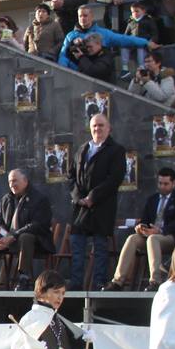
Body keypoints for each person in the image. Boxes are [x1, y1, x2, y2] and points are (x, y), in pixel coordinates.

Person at [66, 114, 126, 290]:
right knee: (77, 246)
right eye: (94, 126)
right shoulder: (83, 149)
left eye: (101, 126)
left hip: (102, 205)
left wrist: (93, 197)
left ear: (109, 128)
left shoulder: (116, 150)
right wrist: (78, 198)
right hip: (81, 207)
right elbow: (70, 176)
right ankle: (76, 283)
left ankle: (99, 283)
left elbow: (115, 178)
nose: (97, 129)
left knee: (100, 248)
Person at [107, 167, 175, 290]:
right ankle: (118, 281)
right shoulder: (153, 199)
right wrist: (141, 227)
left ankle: (155, 281)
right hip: (150, 234)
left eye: (166, 184)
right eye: (160, 183)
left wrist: (160, 231)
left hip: (169, 236)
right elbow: (145, 219)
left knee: (153, 239)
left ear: (173, 183)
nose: (162, 187)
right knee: (132, 238)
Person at [0, 168, 54, 291]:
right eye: (10, 182)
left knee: (25, 237)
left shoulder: (40, 199)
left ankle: (23, 278)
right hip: (10, 239)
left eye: (15, 181)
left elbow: (37, 225)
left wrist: (13, 236)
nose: (12, 185)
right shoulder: (7, 199)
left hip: (36, 242)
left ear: (25, 181)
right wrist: (0, 237)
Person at [58, 4, 155, 70]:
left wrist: (145, 42)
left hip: (97, 73)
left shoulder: (103, 33)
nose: (83, 18)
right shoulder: (70, 35)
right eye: (80, 16)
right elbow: (63, 55)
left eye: (85, 15)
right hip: (76, 74)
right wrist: (63, 71)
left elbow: (124, 39)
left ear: (92, 16)